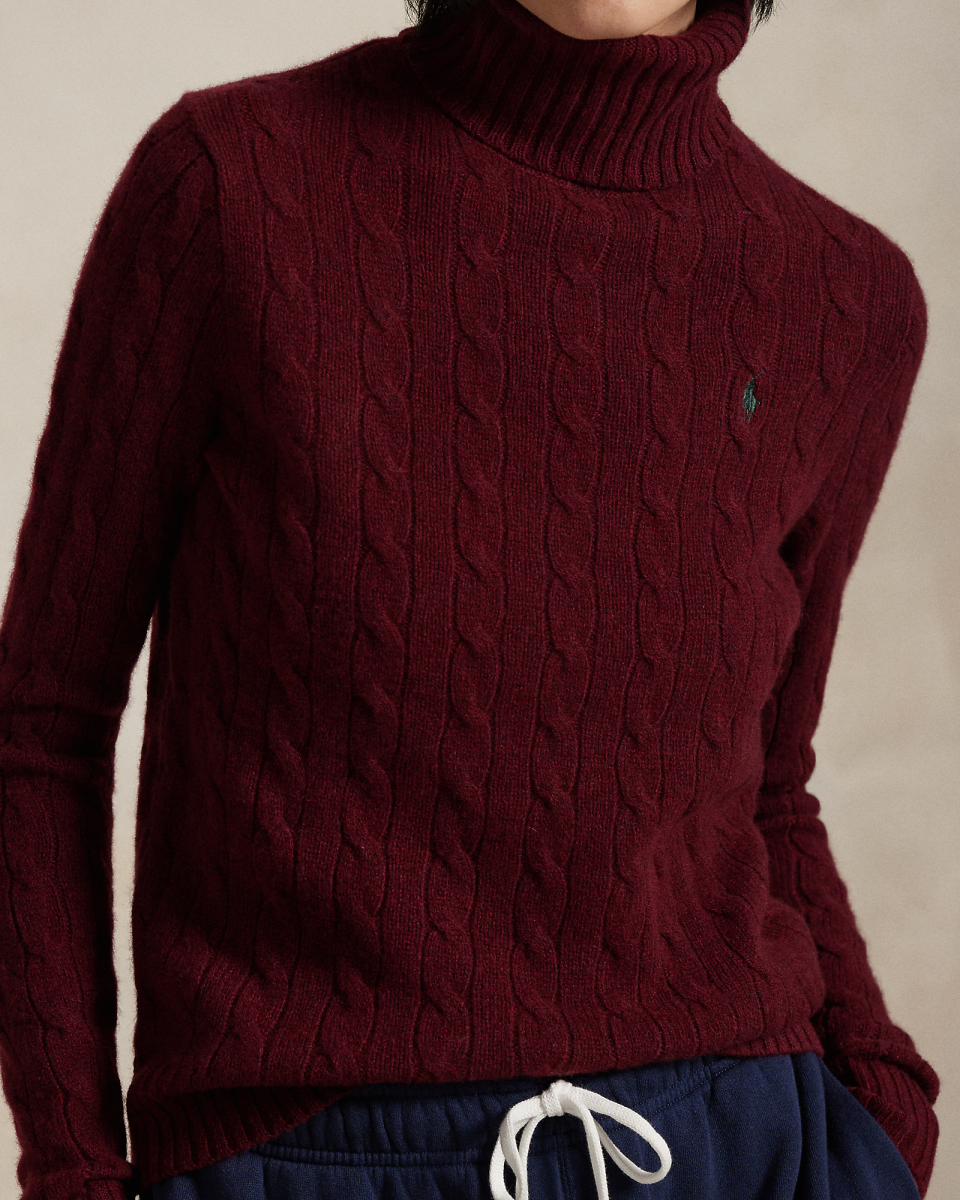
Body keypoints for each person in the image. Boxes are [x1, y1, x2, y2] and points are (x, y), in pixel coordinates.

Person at [0, 0, 941, 1197]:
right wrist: (76, 1172)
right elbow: (42, 725)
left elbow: (769, 781)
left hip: (739, 1138)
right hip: (310, 1159)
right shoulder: (231, 186)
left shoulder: (845, 297)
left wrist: (882, 1108)